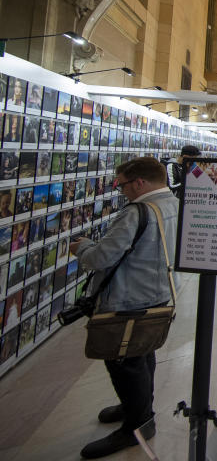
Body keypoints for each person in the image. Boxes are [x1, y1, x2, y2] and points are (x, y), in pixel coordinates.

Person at [69, 158, 178, 458]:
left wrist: (83, 248)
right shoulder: (174, 204)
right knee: (143, 355)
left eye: (122, 185)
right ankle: (138, 407)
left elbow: (101, 257)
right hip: (157, 294)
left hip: (129, 299)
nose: (122, 191)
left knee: (124, 362)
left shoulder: (136, 213)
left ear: (139, 183)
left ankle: (138, 424)